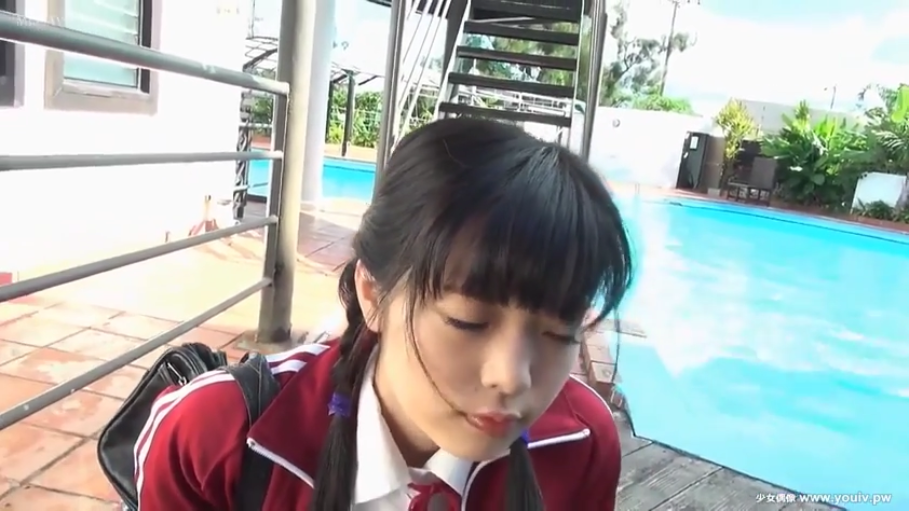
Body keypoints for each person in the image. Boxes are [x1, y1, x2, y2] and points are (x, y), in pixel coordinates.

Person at [134, 117, 634, 510]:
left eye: (559, 332)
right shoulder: (214, 436)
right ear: (373, 293)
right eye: (468, 321)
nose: (513, 377)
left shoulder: (580, 442)